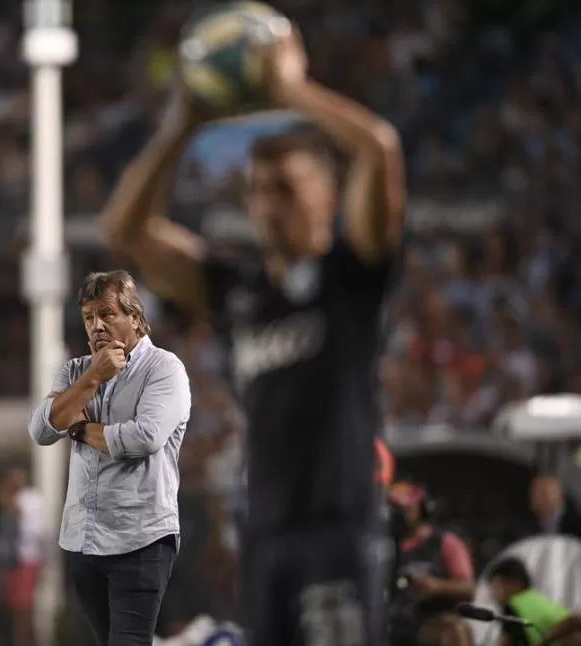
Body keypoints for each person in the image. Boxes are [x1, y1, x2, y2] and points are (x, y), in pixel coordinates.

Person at [100, 21, 403, 646]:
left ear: (328, 195)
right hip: (265, 535)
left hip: (337, 529)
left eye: (286, 189)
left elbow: (379, 147)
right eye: (259, 192)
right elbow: (125, 230)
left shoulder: (349, 275)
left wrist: (294, 91)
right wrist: (183, 124)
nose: (269, 204)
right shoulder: (240, 290)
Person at [28, 270, 191, 646]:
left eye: (107, 314)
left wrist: (81, 430)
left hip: (142, 539)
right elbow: (41, 429)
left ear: (134, 316)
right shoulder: (75, 371)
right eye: (89, 317)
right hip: (83, 539)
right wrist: (92, 379)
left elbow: (143, 437)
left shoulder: (165, 369)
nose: (97, 325)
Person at [387, 482, 474, 646]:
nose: (398, 515)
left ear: (423, 509)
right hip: (393, 623)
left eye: (406, 509)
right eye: (394, 509)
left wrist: (436, 586)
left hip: (433, 621)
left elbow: (468, 588)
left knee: (453, 630)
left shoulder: (445, 542)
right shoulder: (382, 545)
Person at [486, 557, 571, 646]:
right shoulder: (539, 599)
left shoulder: (514, 605)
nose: (492, 594)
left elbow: (504, 643)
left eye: (495, 586)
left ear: (515, 583)